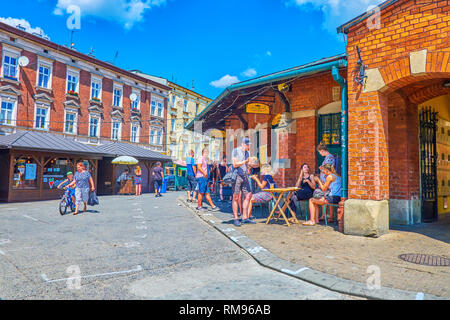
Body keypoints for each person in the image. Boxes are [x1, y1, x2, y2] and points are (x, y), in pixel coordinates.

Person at [231, 137, 258, 226]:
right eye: (247, 145)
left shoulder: (248, 153)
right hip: (237, 175)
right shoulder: (235, 151)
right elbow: (235, 164)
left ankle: (245, 217)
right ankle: (236, 218)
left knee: (248, 195)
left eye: (249, 145)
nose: (248, 146)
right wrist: (245, 161)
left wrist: (252, 165)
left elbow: (247, 164)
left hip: (245, 176)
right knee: (236, 197)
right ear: (242, 144)